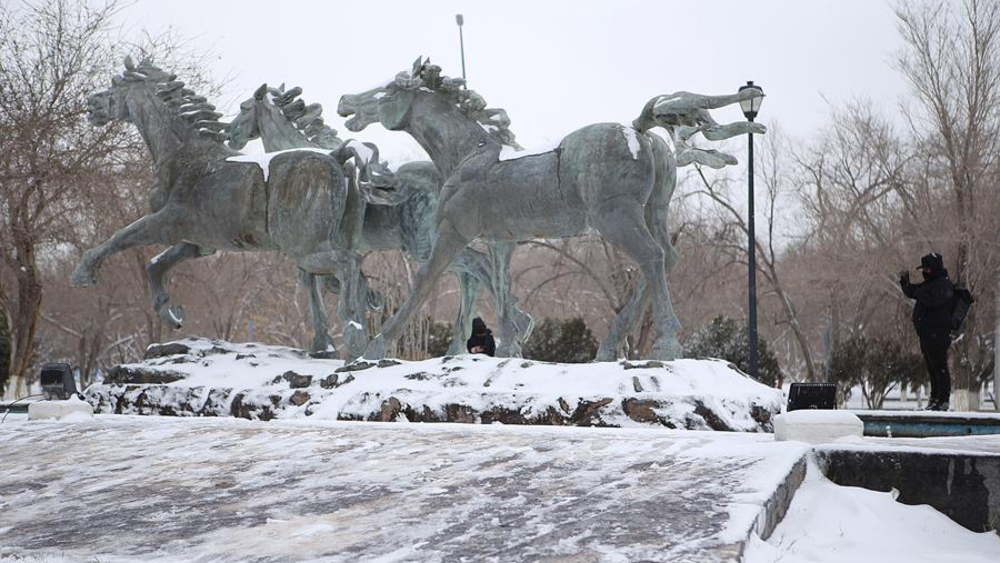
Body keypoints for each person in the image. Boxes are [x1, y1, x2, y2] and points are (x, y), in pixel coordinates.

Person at [899, 252, 955, 411]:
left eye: (927, 270)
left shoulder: (943, 284)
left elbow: (931, 300)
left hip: (938, 334)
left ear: (935, 269)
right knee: (932, 368)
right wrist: (905, 283)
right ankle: (934, 399)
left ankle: (942, 400)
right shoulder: (930, 284)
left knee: (940, 367)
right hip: (926, 334)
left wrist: (917, 291)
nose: (924, 273)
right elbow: (913, 291)